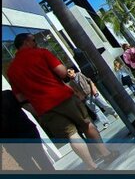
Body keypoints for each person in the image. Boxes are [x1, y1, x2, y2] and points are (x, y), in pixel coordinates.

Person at [7, 33, 119, 170]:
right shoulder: (41, 53)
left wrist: (35, 102)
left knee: (71, 135)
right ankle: (105, 154)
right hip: (63, 97)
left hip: (45, 108)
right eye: (33, 40)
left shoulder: (11, 70)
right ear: (26, 42)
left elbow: (20, 98)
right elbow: (62, 72)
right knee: (86, 124)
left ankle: (92, 167)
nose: (36, 42)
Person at [1, 89, 55, 171]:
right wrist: (40, 115)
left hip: (10, 141)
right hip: (28, 131)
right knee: (42, 159)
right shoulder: (8, 94)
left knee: (28, 166)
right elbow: (26, 105)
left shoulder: (8, 94)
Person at [66, 66, 118, 130]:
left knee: (104, 105)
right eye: (67, 74)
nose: (69, 74)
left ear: (73, 70)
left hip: (93, 93)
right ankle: (105, 122)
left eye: (69, 72)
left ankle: (114, 113)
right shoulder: (71, 83)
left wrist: (94, 90)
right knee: (96, 110)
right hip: (86, 97)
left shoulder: (79, 74)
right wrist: (81, 97)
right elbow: (75, 92)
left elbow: (89, 81)